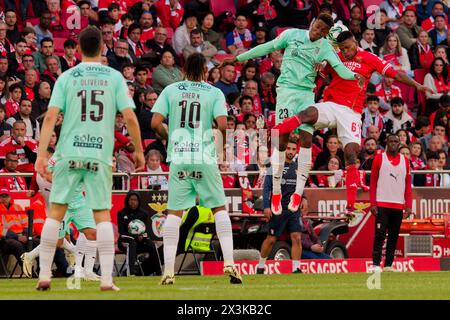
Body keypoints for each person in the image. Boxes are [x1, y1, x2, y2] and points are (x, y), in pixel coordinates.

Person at [34, 26, 144, 292]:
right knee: (102, 215)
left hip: (69, 152)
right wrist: (138, 150)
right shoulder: (114, 77)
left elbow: (50, 117)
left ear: (79, 48)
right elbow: (129, 116)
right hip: (99, 154)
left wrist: (40, 155)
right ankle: (106, 279)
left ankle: (45, 275)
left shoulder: (67, 76)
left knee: (56, 212)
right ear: (102, 48)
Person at [273, 31, 432, 213]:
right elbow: (320, 76)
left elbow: (395, 74)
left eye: (348, 48)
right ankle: (277, 129)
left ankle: (350, 205)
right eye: (343, 49)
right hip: (332, 105)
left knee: (350, 153)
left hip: (352, 113)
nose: (346, 52)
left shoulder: (370, 58)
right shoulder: (335, 57)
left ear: (355, 42)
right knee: (308, 113)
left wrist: (417, 85)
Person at [224, 13, 363, 215]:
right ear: (312, 23)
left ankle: (298, 192)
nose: (318, 32)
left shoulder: (324, 46)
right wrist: (238, 58)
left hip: (306, 95)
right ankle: (278, 190)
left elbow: (339, 68)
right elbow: (267, 47)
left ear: (326, 34)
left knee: (306, 139)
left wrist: (354, 75)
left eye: (323, 31)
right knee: (281, 140)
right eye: (317, 27)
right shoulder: (292, 35)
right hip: (287, 92)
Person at [151, 52, 242, 285]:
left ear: (183, 70)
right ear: (204, 71)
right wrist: (220, 147)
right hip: (203, 156)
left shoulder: (170, 90)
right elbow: (222, 124)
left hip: (180, 157)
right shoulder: (214, 92)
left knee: (174, 213)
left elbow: (154, 123)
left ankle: (169, 270)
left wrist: (168, 136)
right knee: (219, 208)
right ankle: (230, 262)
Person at [22, 150, 100, 281]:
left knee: (92, 233)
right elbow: (47, 174)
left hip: (80, 202)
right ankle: (29, 256)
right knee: (57, 241)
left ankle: (88, 272)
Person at [257, 140, 306, 274]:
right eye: (288, 148)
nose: (290, 151)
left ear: (296, 151)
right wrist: (266, 207)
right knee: (271, 239)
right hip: (277, 208)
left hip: (293, 209)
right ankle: (261, 266)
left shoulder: (298, 167)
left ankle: (296, 268)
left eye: (293, 149)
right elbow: (267, 188)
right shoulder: (274, 166)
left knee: (296, 237)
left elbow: (300, 186)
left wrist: (305, 198)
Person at [370, 134, 413, 272]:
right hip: (382, 204)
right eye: (391, 141)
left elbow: (407, 185)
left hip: (398, 205)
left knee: (393, 236)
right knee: (379, 235)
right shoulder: (378, 158)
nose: (394, 144)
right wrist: (373, 203)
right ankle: (376, 264)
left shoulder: (405, 161)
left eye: (396, 141)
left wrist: (408, 206)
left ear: (399, 143)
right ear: (387, 143)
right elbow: (373, 183)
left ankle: (388, 265)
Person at [117, 191, 162, 275]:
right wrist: (134, 236)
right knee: (132, 242)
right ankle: (131, 272)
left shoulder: (144, 213)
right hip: (124, 241)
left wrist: (143, 236)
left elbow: (147, 231)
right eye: (131, 200)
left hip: (140, 242)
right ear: (127, 200)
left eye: (135, 200)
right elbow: (121, 232)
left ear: (139, 201)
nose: (133, 202)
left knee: (151, 244)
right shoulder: (121, 213)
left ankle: (158, 271)